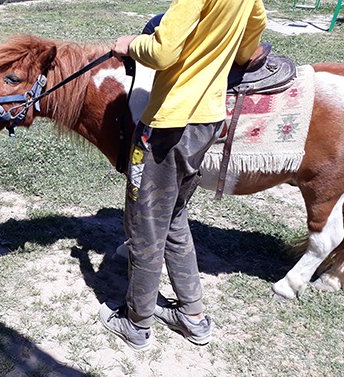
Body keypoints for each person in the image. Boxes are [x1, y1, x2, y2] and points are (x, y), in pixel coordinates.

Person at [99, 0, 267, 351]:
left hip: (169, 121)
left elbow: (162, 52)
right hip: (207, 119)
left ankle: (137, 324)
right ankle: (192, 317)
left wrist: (129, 44)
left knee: (146, 223)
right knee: (173, 214)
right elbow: (254, 29)